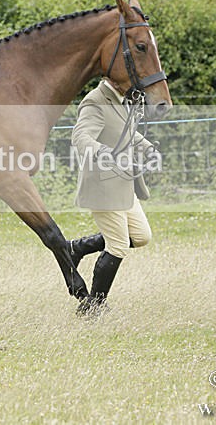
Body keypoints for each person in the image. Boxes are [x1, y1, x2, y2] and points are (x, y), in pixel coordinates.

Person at [71, 77, 158, 315]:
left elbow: (126, 133)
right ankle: (93, 306)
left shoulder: (121, 100)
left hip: (123, 183)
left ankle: (77, 248)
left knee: (141, 236)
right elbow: (80, 139)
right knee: (118, 245)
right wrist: (109, 154)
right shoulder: (95, 102)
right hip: (103, 185)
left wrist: (147, 147)